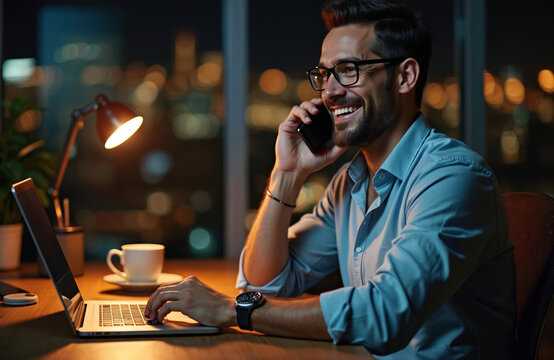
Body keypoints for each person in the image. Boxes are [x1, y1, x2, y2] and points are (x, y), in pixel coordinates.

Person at [145, 0, 516, 358]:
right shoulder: (349, 183)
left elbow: (384, 313)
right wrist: (287, 174)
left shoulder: (452, 176)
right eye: (325, 74)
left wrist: (235, 311)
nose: (330, 92)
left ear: (405, 76)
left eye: (349, 70)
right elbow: (263, 283)